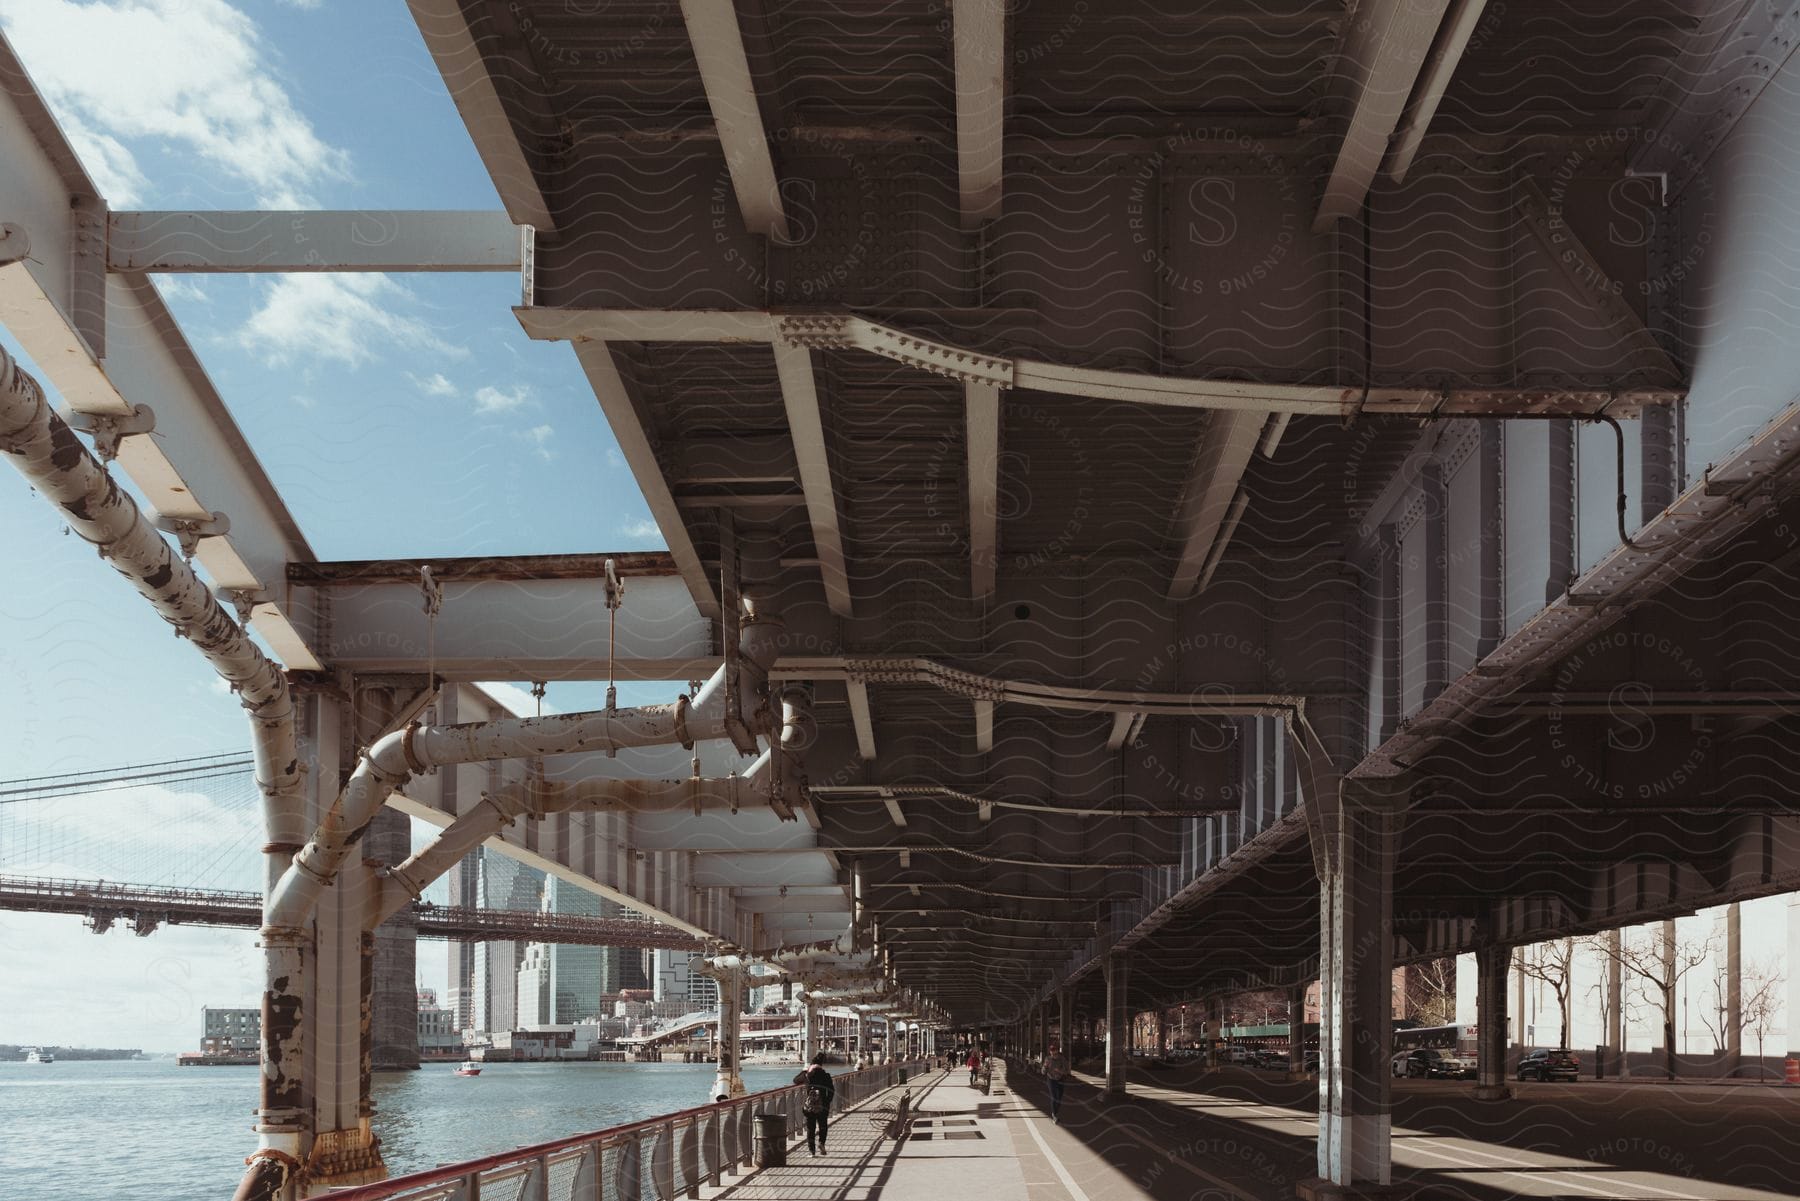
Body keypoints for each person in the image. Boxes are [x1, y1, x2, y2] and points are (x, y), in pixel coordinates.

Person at [793, 1052, 835, 1156]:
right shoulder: (826, 1075)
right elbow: (831, 1090)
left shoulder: (807, 1075)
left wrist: (804, 1071)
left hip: (810, 1106)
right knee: (823, 1126)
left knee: (810, 1128)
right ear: (821, 1065)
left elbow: (795, 1081)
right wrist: (826, 1102)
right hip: (822, 1105)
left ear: (811, 1064)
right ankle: (821, 1143)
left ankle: (812, 1151)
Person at [1042, 1043, 1071, 1123]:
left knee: (1059, 1098)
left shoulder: (1062, 1059)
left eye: (1054, 1051)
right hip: (1051, 1079)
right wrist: (1044, 1066)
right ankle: (1054, 1115)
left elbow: (1067, 1071)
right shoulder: (1048, 1059)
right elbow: (1043, 1072)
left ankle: (1055, 1112)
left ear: (1057, 1051)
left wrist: (1060, 1071)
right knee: (1054, 1097)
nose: (1053, 1053)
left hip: (1060, 1079)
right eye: (1051, 1051)